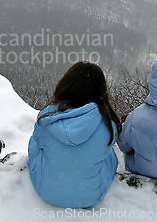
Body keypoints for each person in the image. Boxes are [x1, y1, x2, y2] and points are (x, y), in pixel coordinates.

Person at [28, 62, 122, 208]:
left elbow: (38, 143)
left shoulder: (48, 116)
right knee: (108, 153)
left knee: (35, 141)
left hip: (47, 192)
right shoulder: (109, 123)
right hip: (91, 197)